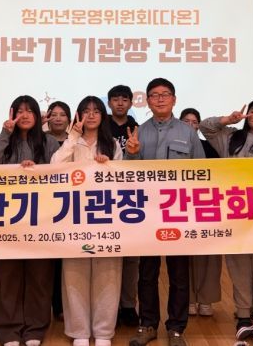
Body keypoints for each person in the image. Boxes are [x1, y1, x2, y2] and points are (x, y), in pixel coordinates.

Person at [124, 78, 206, 346]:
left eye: (165, 94)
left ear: (174, 99)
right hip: (147, 213)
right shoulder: (139, 132)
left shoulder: (188, 133)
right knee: (147, 273)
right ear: (147, 101)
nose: (160, 99)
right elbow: (128, 175)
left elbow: (202, 172)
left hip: (179, 213)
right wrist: (132, 154)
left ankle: (176, 328)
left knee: (179, 274)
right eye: (154, 95)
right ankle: (147, 325)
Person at [199, 98, 253, 346]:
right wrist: (228, 119)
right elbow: (205, 127)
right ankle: (244, 316)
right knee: (238, 268)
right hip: (234, 213)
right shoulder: (231, 137)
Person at [0, 95, 60, 346]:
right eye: (19, 111)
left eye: (30, 111)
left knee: (40, 276)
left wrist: (38, 169)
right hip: (9, 220)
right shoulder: (5, 140)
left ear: (38, 116)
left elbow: (61, 172)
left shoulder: (49, 142)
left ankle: (35, 329)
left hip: (42, 219)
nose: (24, 116)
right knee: (8, 277)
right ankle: (8, 330)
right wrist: (5, 134)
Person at [51, 96, 124, 346]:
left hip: (106, 217)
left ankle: (103, 331)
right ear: (78, 115)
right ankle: (79, 330)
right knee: (74, 274)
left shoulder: (111, 144)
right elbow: (55, 165)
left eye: (96, 111)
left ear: (103, 115)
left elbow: (122, 179)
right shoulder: (72, 141)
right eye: (86, 111)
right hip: (74, 216)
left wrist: (108, 166)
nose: (91, 115)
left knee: (108, 275)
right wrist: (73, 136)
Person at [178, 108, 222, 318]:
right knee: (183, 256)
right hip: (179, 206)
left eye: (194, 122)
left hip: (205, 205)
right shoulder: (174, 145)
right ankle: (188, 299)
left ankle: (205, 299)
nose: (190, 125)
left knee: (208, 255)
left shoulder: (209, 146)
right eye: (185, 121)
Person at [107, 84, 140, 327]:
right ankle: (110, 308)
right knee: (109, 255)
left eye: (124, 99)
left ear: (130, 102)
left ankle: (128, 306)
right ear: (109, 103)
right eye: (115, 99)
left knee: (131, 257)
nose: (120, 103)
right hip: (104, 198)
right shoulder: (100, 127)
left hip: (131, 197)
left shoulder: (139, 128)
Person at [44, 100, 71, 320]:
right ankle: (46, 306)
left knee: (65, 261)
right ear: (47, 118)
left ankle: (62, 307)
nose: (58, 118)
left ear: (69, 119)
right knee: (48, 260)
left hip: (70, 206)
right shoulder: (40, 139)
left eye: (63, 114)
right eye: (54, 114)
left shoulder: (76, 141)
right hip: (45, 206)